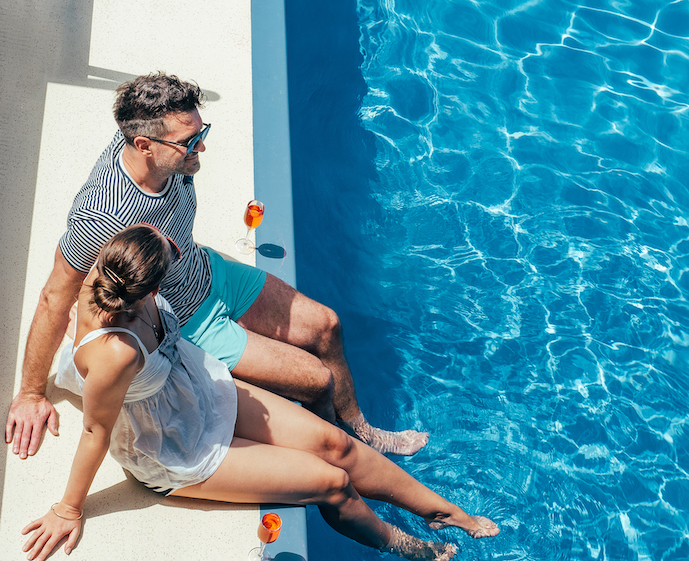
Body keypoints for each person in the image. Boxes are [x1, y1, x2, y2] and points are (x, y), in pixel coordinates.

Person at [6, 72, 427, 460]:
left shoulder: (164, 152)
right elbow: (53, 297)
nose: (201, 147)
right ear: (142, 145)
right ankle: (340, 449)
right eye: (190, 142)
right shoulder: (102, 220)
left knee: (327, 325)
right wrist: (28, 393)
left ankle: (361, 430)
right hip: (187, 321)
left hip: (208, 271)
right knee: (317, 380)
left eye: (200, 132)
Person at [20, 224, 498, 561]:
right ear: (146, 292)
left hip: (194, 387)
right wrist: (68, 508)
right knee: (330, 481)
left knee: (336, 444)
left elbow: (88, 308)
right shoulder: (115, 354)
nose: (177, 251)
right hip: (171, 443)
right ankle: (410, 547)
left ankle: (441, 511)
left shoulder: (113, 270)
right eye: (170, 260)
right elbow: (95, 431)